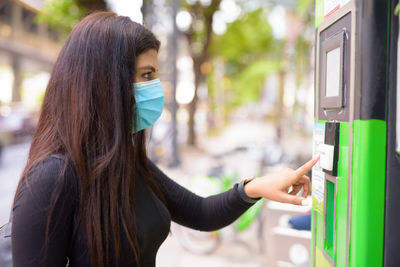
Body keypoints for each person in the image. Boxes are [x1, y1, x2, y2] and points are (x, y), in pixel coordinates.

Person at [10, 11, 319, 267]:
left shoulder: (127, 162)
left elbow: (200, 212)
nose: (155, 88)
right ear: (105, 83)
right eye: (146, 75)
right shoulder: (51, 179)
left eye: (154, 75)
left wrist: (256, 187)